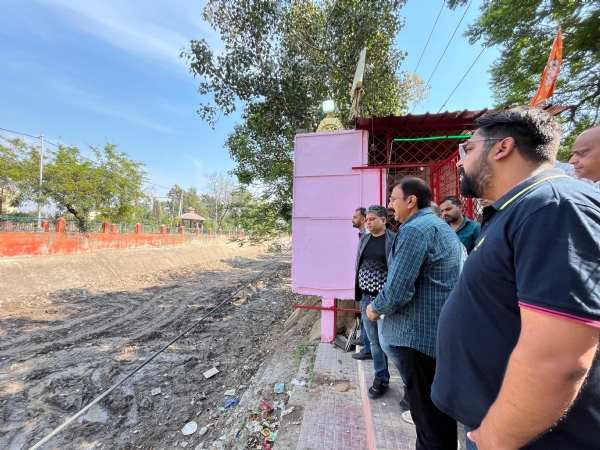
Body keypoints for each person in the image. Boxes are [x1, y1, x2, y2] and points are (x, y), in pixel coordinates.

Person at [432, 106, 600, 450]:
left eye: (468, 149)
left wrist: (495, 437)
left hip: (520, 437)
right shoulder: (521, 208)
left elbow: (558, 359)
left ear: (502, 148)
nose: (460, 162)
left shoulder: (555, 207)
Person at [366, 176, 464, 449]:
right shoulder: (438, 226)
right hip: (436, 331)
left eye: (393, 199)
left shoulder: (414, 230)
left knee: (426, 417)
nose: (389, 206)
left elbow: (397, 290)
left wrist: (374, 309)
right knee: (436, 411)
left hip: (417, 335)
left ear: (410, 200)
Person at [352, 206, 396, 399]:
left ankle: (409, 384)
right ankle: (381, 379)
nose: (367, 222)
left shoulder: (393, 240)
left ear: (383, 220)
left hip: (384, 301)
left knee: (388, 344)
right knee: (374, 342)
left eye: (371, 219)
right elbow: (358, 264)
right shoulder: (365, 238)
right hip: (366, 298)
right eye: (366, 219)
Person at [350, 207, 371, 352]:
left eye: (355, 217)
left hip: (369, 281)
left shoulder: (368, 235)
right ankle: (363, 339)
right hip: (362, 279)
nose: (352, 219)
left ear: (363, 219)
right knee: (363, 310)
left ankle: (368, 347)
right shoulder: (363, 234)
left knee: (366, 312)